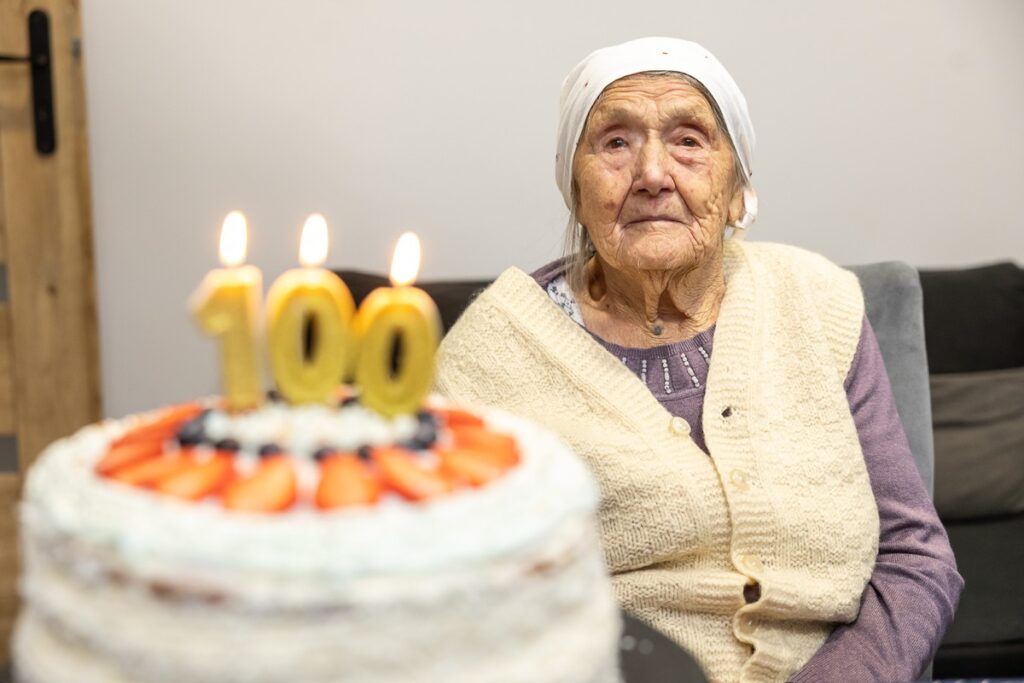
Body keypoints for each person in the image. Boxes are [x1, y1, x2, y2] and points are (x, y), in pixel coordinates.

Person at [435, 37, 962, 683]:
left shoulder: (816, 300)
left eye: (689, 140)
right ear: (576, 190)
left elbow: (915, 554)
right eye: (616, 142)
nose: (653, 173)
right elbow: (462, 601)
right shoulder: (487, 358)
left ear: (738, 189)